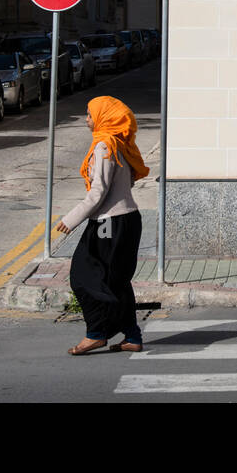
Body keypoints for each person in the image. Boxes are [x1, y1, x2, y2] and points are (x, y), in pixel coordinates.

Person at [55, 95, 149, 355]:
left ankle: (96, 334)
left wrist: (70, 219)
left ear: (103, 117)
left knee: (83, 277)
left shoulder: (104, 146)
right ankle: (132, 336)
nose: (86, 120)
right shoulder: (119, 143)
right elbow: (126, 183)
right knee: (116, 281)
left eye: (89, 114)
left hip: (110, 223)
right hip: (126, 219)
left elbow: (99, 192)